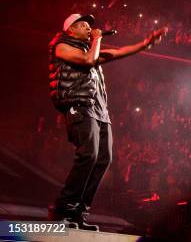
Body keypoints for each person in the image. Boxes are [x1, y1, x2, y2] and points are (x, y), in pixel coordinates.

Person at [47, 13, 167, 230]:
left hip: (100, 112)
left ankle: (79, 212)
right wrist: (97, 38)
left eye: (89, 26)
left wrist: (146, 43)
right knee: (88, 155)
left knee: (103, 158)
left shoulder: (90, 50)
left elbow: (118, 52)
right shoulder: (62, 47)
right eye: (82, 25)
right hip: (80, 107)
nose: (87, 28)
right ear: (70, 31)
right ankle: (62, 208)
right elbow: (87, 60)